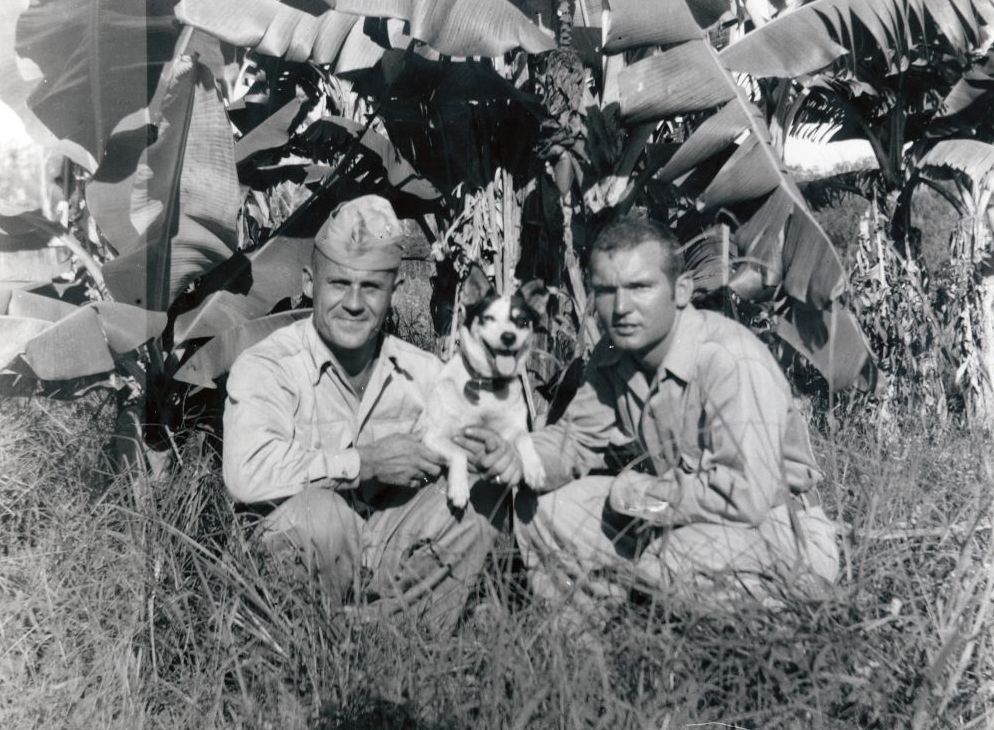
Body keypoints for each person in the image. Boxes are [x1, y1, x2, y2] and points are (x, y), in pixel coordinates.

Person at [456, 216, 839, 610]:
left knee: (670, 562)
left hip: (779, 528)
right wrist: (517, 455)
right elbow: (575, 441)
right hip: (682, 514)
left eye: (640, 287)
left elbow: (743, 498)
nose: (621, 308)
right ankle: (586, 652)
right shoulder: (612, 357)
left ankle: (739, 650)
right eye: (606, 291)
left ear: (681, 291)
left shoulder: (729, 360)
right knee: (546, 510)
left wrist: (637, 495)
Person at [223, 195, 505, 632]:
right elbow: (246, 473)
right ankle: (302, 645)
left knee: (481, 499)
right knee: (324, 516)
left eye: (371, 287)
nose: (354, 303)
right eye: (338, 284)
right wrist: (366, 462)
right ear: (308, 282)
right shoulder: (269, 367)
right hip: (300, 556)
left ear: (395, 292)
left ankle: (387, 641)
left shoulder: (424, 373)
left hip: (389, 543)